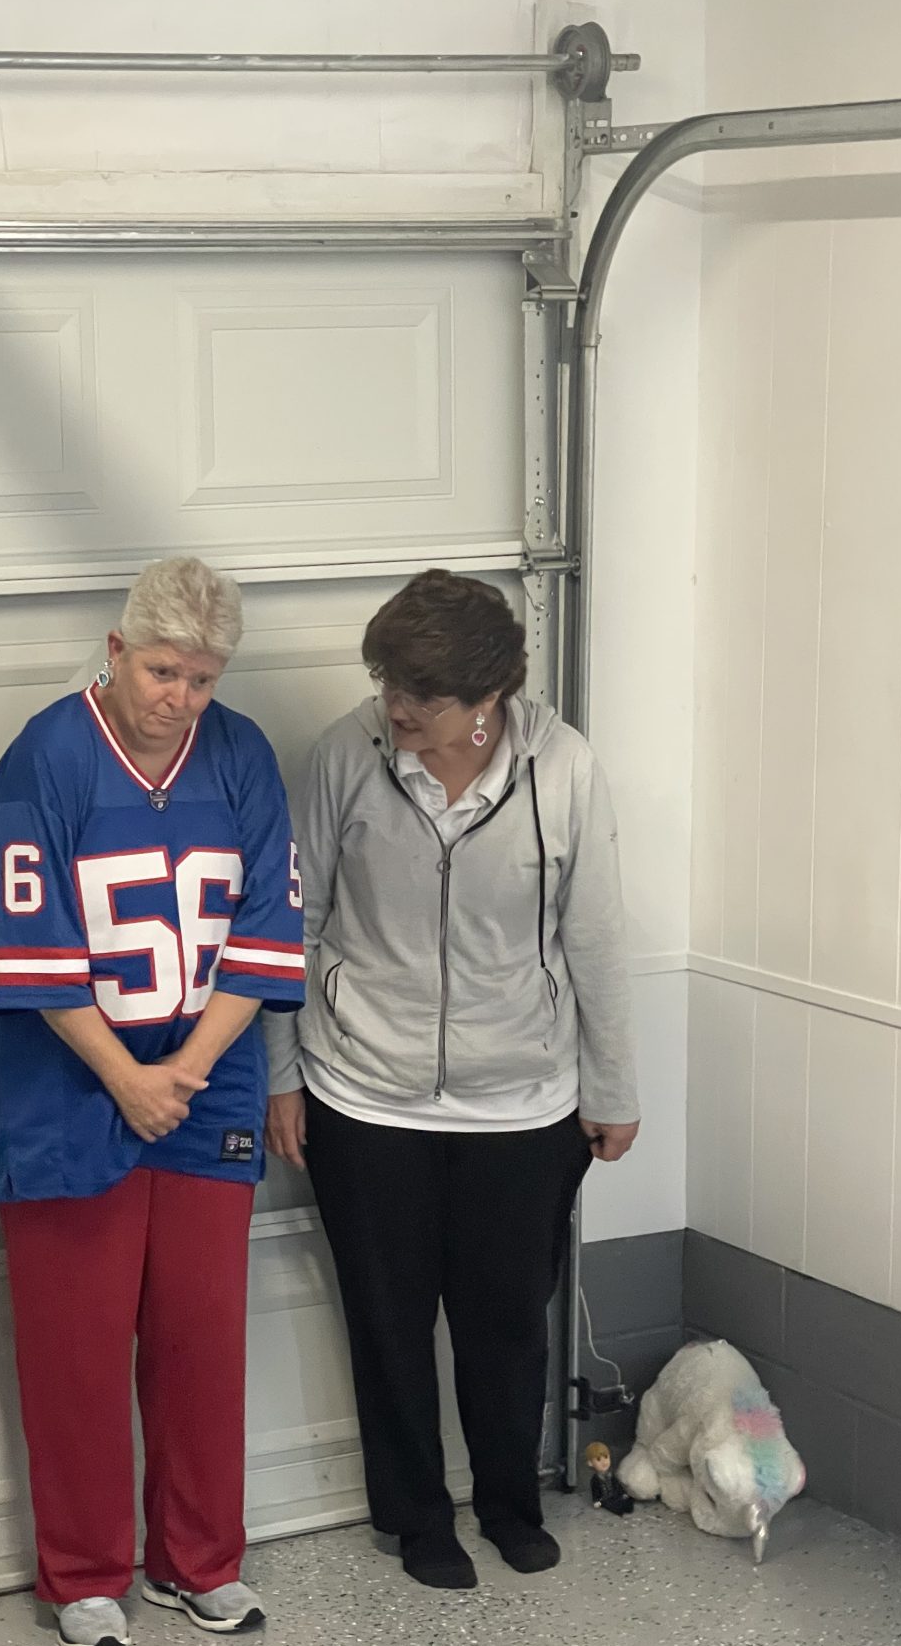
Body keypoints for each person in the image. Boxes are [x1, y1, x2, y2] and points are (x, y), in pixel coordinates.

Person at [264, 569, 639, 1590]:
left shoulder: (562, 770)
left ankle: (511, 1504)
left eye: (420, 695)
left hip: (522, 1102)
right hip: (364, 1094)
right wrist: (283, 1074)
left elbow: (595, 935)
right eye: (388, 681)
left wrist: (613, 1088)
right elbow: (289, 927)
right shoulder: (346, 757)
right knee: (387, 1324)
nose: (395, 707)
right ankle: (416, 1518)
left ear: (487, 700)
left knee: (507, 1324)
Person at [0, 557, 305, 1646]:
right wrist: (126, 1077)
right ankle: (85, 1574)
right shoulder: (44, 762)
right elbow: (27, 943)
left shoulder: (243, 757)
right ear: (116, 653)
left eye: (204, 678)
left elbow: (265, 935)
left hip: (207, 1082)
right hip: (71, 1085)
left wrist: (186, 1074)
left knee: (203, 1338)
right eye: (164, 671)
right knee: (77, 1345)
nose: (183, 698)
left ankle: (201, 1561)